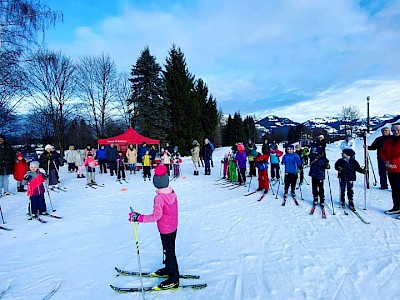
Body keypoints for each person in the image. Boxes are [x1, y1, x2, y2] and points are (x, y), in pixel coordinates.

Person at [128, 164, 180, 289]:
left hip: (166, 229)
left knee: (170, 252)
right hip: (172, 227)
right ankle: (168, 268)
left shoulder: (159, 198)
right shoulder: (172, 192)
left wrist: (139, 218)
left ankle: (174, 279)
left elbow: (156, 216)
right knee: (168, 250)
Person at [380, 123, 400, 216]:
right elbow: (383, 152)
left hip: (398, 168)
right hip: (391, 170)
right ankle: (396, 207)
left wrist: (394, 163)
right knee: (394, 189)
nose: (396, 132)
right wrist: (386, 162)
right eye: (394, 130)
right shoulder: (389, 141)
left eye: (398, 130)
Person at [308, 146, 330, 211]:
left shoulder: (323, 158)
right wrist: (314, 154)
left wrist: (327, 165)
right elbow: (310, 156)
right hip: (313, 174)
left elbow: (327, 162)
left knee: (321, 188)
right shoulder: (312, 157)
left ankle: (322, 199)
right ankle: (315, 198)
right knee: (314, 188)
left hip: (320, 175)